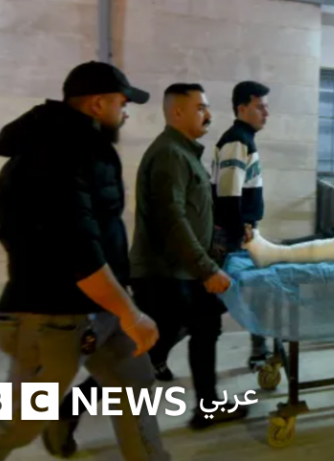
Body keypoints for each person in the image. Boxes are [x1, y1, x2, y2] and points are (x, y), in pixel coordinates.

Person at [0, 61, 169, 461]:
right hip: (51, 320)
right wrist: (131, 314)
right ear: (97, 104)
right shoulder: (61, 154)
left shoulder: (82, 148)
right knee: (15, 426)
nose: (127, 112)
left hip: (98, 311)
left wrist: (121, 308)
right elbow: (79, 251)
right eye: (122, 102)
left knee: (135, 388)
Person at [127, 83, 243, 430]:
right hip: (164, 274)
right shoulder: (170, 155)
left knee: (206, 326)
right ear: (177, 112)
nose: (208, 115)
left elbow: (193, 216)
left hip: (184, 270)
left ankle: (207, 406)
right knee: (144, 349)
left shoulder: (184, 153)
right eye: (200, 108)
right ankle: (68, 409)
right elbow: (172, 219)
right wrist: (207, 269)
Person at [211, 81, 271, 368]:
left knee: (253, 291)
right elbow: (228, 194)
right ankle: (157, 352)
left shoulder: (244, 139)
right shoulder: (236, 141)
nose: (266, 113)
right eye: (260, 107)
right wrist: (239, 231)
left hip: (240, 231)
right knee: (213, 304)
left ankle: (259, 350)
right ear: (242, 108)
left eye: (266, 107)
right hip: (232, 234)